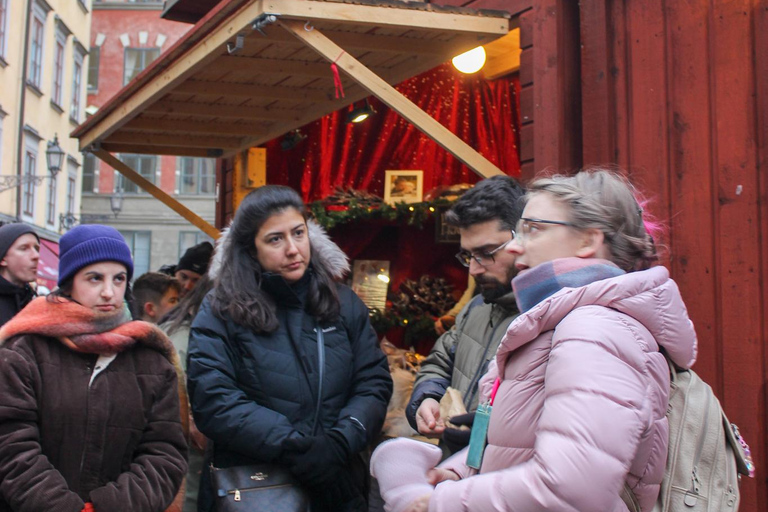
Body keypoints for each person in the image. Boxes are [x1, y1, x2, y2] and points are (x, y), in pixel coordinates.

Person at [374, 168, 699, 512]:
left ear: (589, 240)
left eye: (533, 229)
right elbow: (520, 450)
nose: (515, 247)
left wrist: (440, 503)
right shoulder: (558, 322)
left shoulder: (593, 330)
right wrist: (457, 473)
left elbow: (572, 488)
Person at [187, 185, 393, 512]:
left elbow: (373, 381)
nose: (293, 249)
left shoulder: (344, 304)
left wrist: (340, 441)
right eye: (275, 239)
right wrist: (292, 445)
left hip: (339, 485)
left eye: (298, 233)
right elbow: (213, 398)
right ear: (251, 249)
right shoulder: (221, 309)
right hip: (255, 489)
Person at [0, 224, 188, 512]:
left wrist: (109, 507)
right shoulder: (25, 351)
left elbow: (164, 453)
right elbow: (11, 445)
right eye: (95, 278)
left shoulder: (152, 358)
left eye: (119, 278)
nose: (108, 292)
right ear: (70, 281)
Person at [405, 175, 525, 454]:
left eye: (486, 253)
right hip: (457, 480)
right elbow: (440, 360)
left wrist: (489, 435)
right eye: (468, 255)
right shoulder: (476, 307)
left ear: (523, 238)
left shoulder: (554, 318)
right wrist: (428, 398)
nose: (473, 270)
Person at [0, 223, 39, 327]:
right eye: (24, 248)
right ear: (3, 259)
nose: (36, 255)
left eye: (36, 248)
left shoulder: (35, 304)